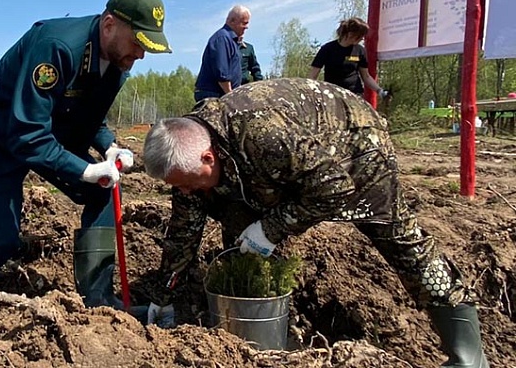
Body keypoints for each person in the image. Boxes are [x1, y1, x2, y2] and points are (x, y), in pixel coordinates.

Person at [142, 78, 488, 368]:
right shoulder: (187, 160)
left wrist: (272, 228)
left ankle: (467, 355)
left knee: (398, 238)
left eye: (188, 183)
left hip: (352, 145)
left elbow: (335, 187)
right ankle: (254, 334)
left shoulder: (262, 133)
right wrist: (163, 297)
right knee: (239, 237)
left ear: (208, 157)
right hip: (280, 164)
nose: (184, 191)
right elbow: (183, 232)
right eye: (177, 186)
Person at [0, 0, 171, 311]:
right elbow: (26, 134)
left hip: (45, 129)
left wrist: (109, 147)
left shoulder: (117, 63)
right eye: (138, 42)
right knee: (1, 237)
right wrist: (84, 169)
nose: (141, 54)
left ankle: (99, 300)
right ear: (109, 25)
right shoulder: (57, 47)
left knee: (103, 188)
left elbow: (90, 118)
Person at [309, 17, 388, 98]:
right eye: (361, 35)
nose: (362, 38)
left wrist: (379, 91)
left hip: (355, 94)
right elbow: (313, 76)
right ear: (351, 34)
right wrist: (311, 93)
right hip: (333, 95)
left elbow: (366, 76)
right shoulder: (327, 49)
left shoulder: (360, 50)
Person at [193, 5, 250, 102]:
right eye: (244, 23)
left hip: (220, 94)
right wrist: (231, 98)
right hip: (214, 95)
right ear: (232, 21)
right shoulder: (222, 39)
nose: (247, 27)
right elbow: (222, 75)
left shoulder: (230, 40)